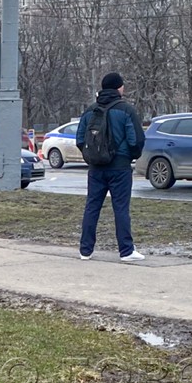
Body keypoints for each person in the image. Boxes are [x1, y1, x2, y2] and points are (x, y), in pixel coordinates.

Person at [76, 72, 147, 262]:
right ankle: (126, 250)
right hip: (120, 168)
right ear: (118, 87)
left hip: (95, 168)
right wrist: (129, 156)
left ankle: (85, 250)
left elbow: (80, 139)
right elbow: (136, 140)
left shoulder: (90, 110)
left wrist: (92, 157)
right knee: (121, 208)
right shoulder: (126, 110)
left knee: (92, 207)